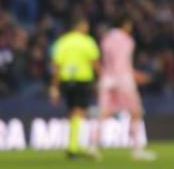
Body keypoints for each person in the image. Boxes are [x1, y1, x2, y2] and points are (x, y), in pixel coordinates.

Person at [94, 17, 156, 161]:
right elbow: (123, 64)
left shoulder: (106, 39)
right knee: (135, 113)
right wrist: (136, 75)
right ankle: (137, 150)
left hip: (107, 80)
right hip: (124, 80)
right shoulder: (128, 41)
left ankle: (94, 147)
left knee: (103, 114)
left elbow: (107, 62)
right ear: (126, 25)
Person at [50, 17, 101, 160]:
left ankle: (73, 144)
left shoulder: (62, 42)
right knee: (80, 112)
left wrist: (54, 86)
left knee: (73, 111)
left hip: (66, 80)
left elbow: (56, 66)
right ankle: (73, 147)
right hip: (82, 80)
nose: (87, 28)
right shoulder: (87, 41)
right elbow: (94, 62)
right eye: (86, 26)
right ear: (81, 26)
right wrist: (102, 77)